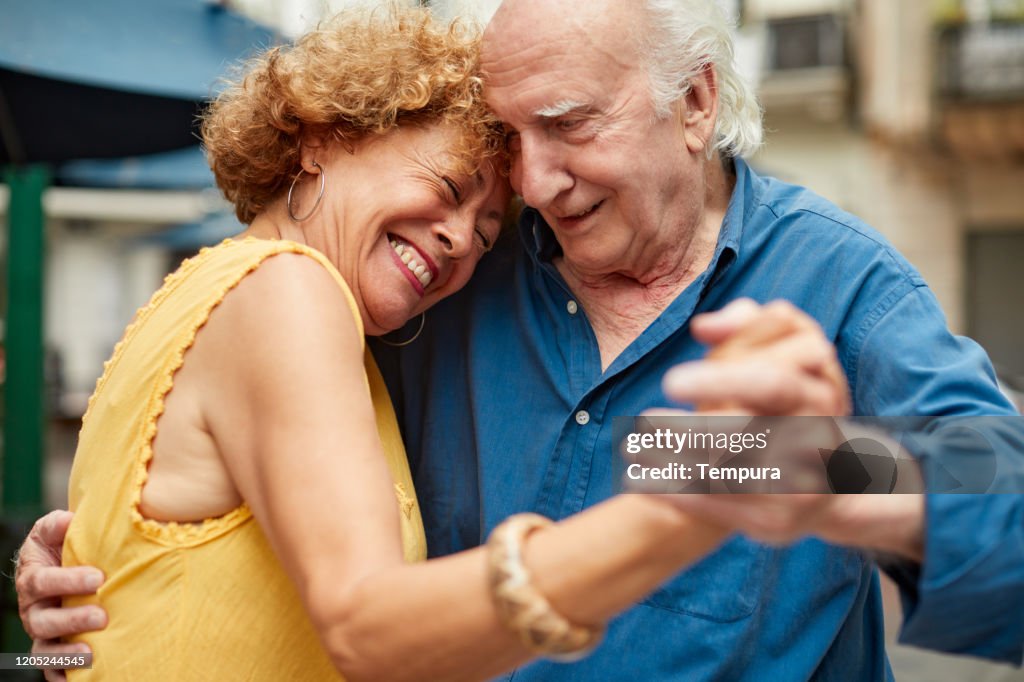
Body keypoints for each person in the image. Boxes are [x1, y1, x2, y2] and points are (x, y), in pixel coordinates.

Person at [19, 0, 1023, 679]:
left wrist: (818, 460)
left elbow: (1000, 506)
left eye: (568, 124)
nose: (533, 183)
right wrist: (96, 576)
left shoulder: (839, 282)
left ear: (696, 101)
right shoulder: (435, 288)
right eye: (508, 142)